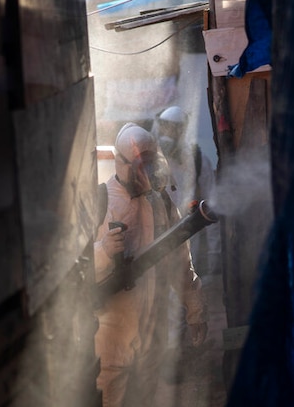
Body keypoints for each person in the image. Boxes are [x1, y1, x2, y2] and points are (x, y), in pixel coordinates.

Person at [94, 123, 208, 407]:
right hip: (110, 341)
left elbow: (180, 262)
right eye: (139, 164)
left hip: (151, 337)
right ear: (121, 164)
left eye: (150, 162)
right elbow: (74, 268)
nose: (146, 173)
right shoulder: (100, 202)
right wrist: (103, 250)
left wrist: (195, 310)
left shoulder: (162, 204)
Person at [154, 106, 220, 275]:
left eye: (172, 128)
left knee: (188, 280)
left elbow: (211, 204)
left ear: (182, 130)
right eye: (164, 126)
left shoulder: (197, 160)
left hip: (188, 234)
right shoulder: (151, 159)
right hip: (157, 233)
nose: (167, 133)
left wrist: (214, 255)